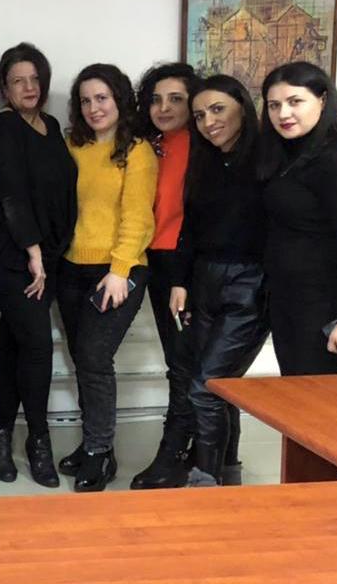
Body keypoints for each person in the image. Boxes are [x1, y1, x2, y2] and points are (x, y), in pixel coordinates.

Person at [56, 63, 156, 493]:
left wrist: (119, 271)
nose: (94, 108)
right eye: (85, 101)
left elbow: (138, 218)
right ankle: (93, 443)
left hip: (117, 271)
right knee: (83, 359)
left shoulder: (136, 150)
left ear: (119, 99)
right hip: (70, 268)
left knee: (95, 358)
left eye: (102, 98)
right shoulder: (71, 145)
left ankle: (100, 452)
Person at [0, 43, 76, 488]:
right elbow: (11, 192)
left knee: (14, 343)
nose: (28, 87)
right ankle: (39, 440)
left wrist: (51, 252)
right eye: (18, 80)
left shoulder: (51, 126)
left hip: (49, 257)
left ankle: (0, 435)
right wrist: (33, 252)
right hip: (12, 257)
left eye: (35, 78)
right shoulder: (3, 126)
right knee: (38, 346)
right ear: (4, 88)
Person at [170, 74, 269, 486]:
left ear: (242, 107)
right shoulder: (205, 162)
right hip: (205, 282)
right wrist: (180, 282)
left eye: (217, 109)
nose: (208, 122)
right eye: (199, 115)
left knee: (206, 387)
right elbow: (190, 228)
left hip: (250, 286)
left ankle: (206, 481)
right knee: (222, 386)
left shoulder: (269, 159)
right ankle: (228, 477)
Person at [258, 62, 337, 375]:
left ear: (323, 100)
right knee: (296, 398)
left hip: (334, 309)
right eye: (274, 105)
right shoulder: (287, 154)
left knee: (319, 403)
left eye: (295, 101)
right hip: (293, 300)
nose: (283, 113)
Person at [128, 62, 201, 490]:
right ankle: (218, 457)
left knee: (186, 365)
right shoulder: (152, 144)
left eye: (175, 99)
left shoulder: (202, 144)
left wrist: (184, 277)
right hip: (156, 260)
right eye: (156, 99)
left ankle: (174, 454)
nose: (164, 107)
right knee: (188, 362)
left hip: (185, 266)